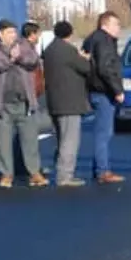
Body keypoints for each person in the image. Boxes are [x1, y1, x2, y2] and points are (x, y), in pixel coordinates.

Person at [0, 19, 48, 189]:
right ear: (0, 34)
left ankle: (34, 172)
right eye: (9, 32)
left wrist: (20, 56)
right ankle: (6, 174)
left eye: (14, 32)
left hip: (24, 102)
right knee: (2, 142)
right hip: (1, 103)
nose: (13, 35)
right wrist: (10, 59)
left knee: (30, 139)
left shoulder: (23, 45)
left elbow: (33, 61)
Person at [42, 20, 91, 187]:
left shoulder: (48, 50)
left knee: (61, 138)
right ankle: (65, 176)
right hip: (70, 101)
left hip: (54, 100)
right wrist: (84, 58)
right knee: (70, 140)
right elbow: (86, 68)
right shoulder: (69, 51)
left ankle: (61, 171)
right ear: (69, 34)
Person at [85, 11, 126, 184]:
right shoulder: (104, 41)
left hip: (96, 89)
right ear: (105, 25)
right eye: (116, 24)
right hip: (103, 91)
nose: (119, 28)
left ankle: (100, 168)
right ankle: (103, 170)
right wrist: (117, 90)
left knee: (103, 132)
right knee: (104, 133)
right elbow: (105, 68)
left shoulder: (93, 39)